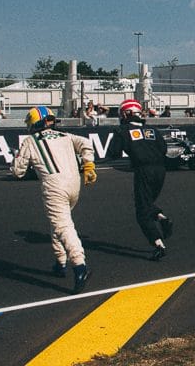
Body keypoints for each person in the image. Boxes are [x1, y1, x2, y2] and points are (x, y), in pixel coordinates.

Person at [11, 106, 96, 293]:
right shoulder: (65, 136)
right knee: (57, 223)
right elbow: (86, 143)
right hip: (75, 184)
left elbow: (18, 172)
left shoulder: (30, 141)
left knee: (63, 226)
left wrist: (15, 158)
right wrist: (88, 164)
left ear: (34, 123)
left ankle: (80, 265)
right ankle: (60, 262)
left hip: (54, 186)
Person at [108, 99, 173, 261]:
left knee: (142, 212)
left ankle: (158, 245)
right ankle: (161, 218)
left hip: (143, 171)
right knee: (147, 202)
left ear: (126, 114)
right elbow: (164, 149)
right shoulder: (152, 129)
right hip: (160, 170)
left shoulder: (122, 131)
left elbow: (113, 153)